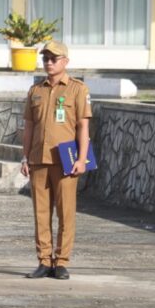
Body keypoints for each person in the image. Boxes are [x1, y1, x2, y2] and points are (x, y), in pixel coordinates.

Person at [20, 40, 92, 281]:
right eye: (46, 59)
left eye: (54, 59)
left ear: (66, 62)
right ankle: (43, 260)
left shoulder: (77, 89)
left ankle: (61, 261)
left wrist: (82, 159)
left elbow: (83, 126)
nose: (49, 63)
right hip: (39, 159)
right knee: (41, 213)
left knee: (65, 212)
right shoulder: (35, 91)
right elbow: (29, 126)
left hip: (65, 161)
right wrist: (25, 156)